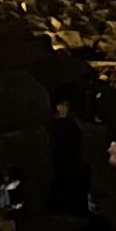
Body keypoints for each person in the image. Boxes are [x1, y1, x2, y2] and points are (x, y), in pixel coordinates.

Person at [45, 86, 98, 218]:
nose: (64, 108)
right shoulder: (55, 125)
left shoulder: (72, 123)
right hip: (60, 159)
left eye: (66, 105)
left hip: (71, 158)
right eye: (62, 105)